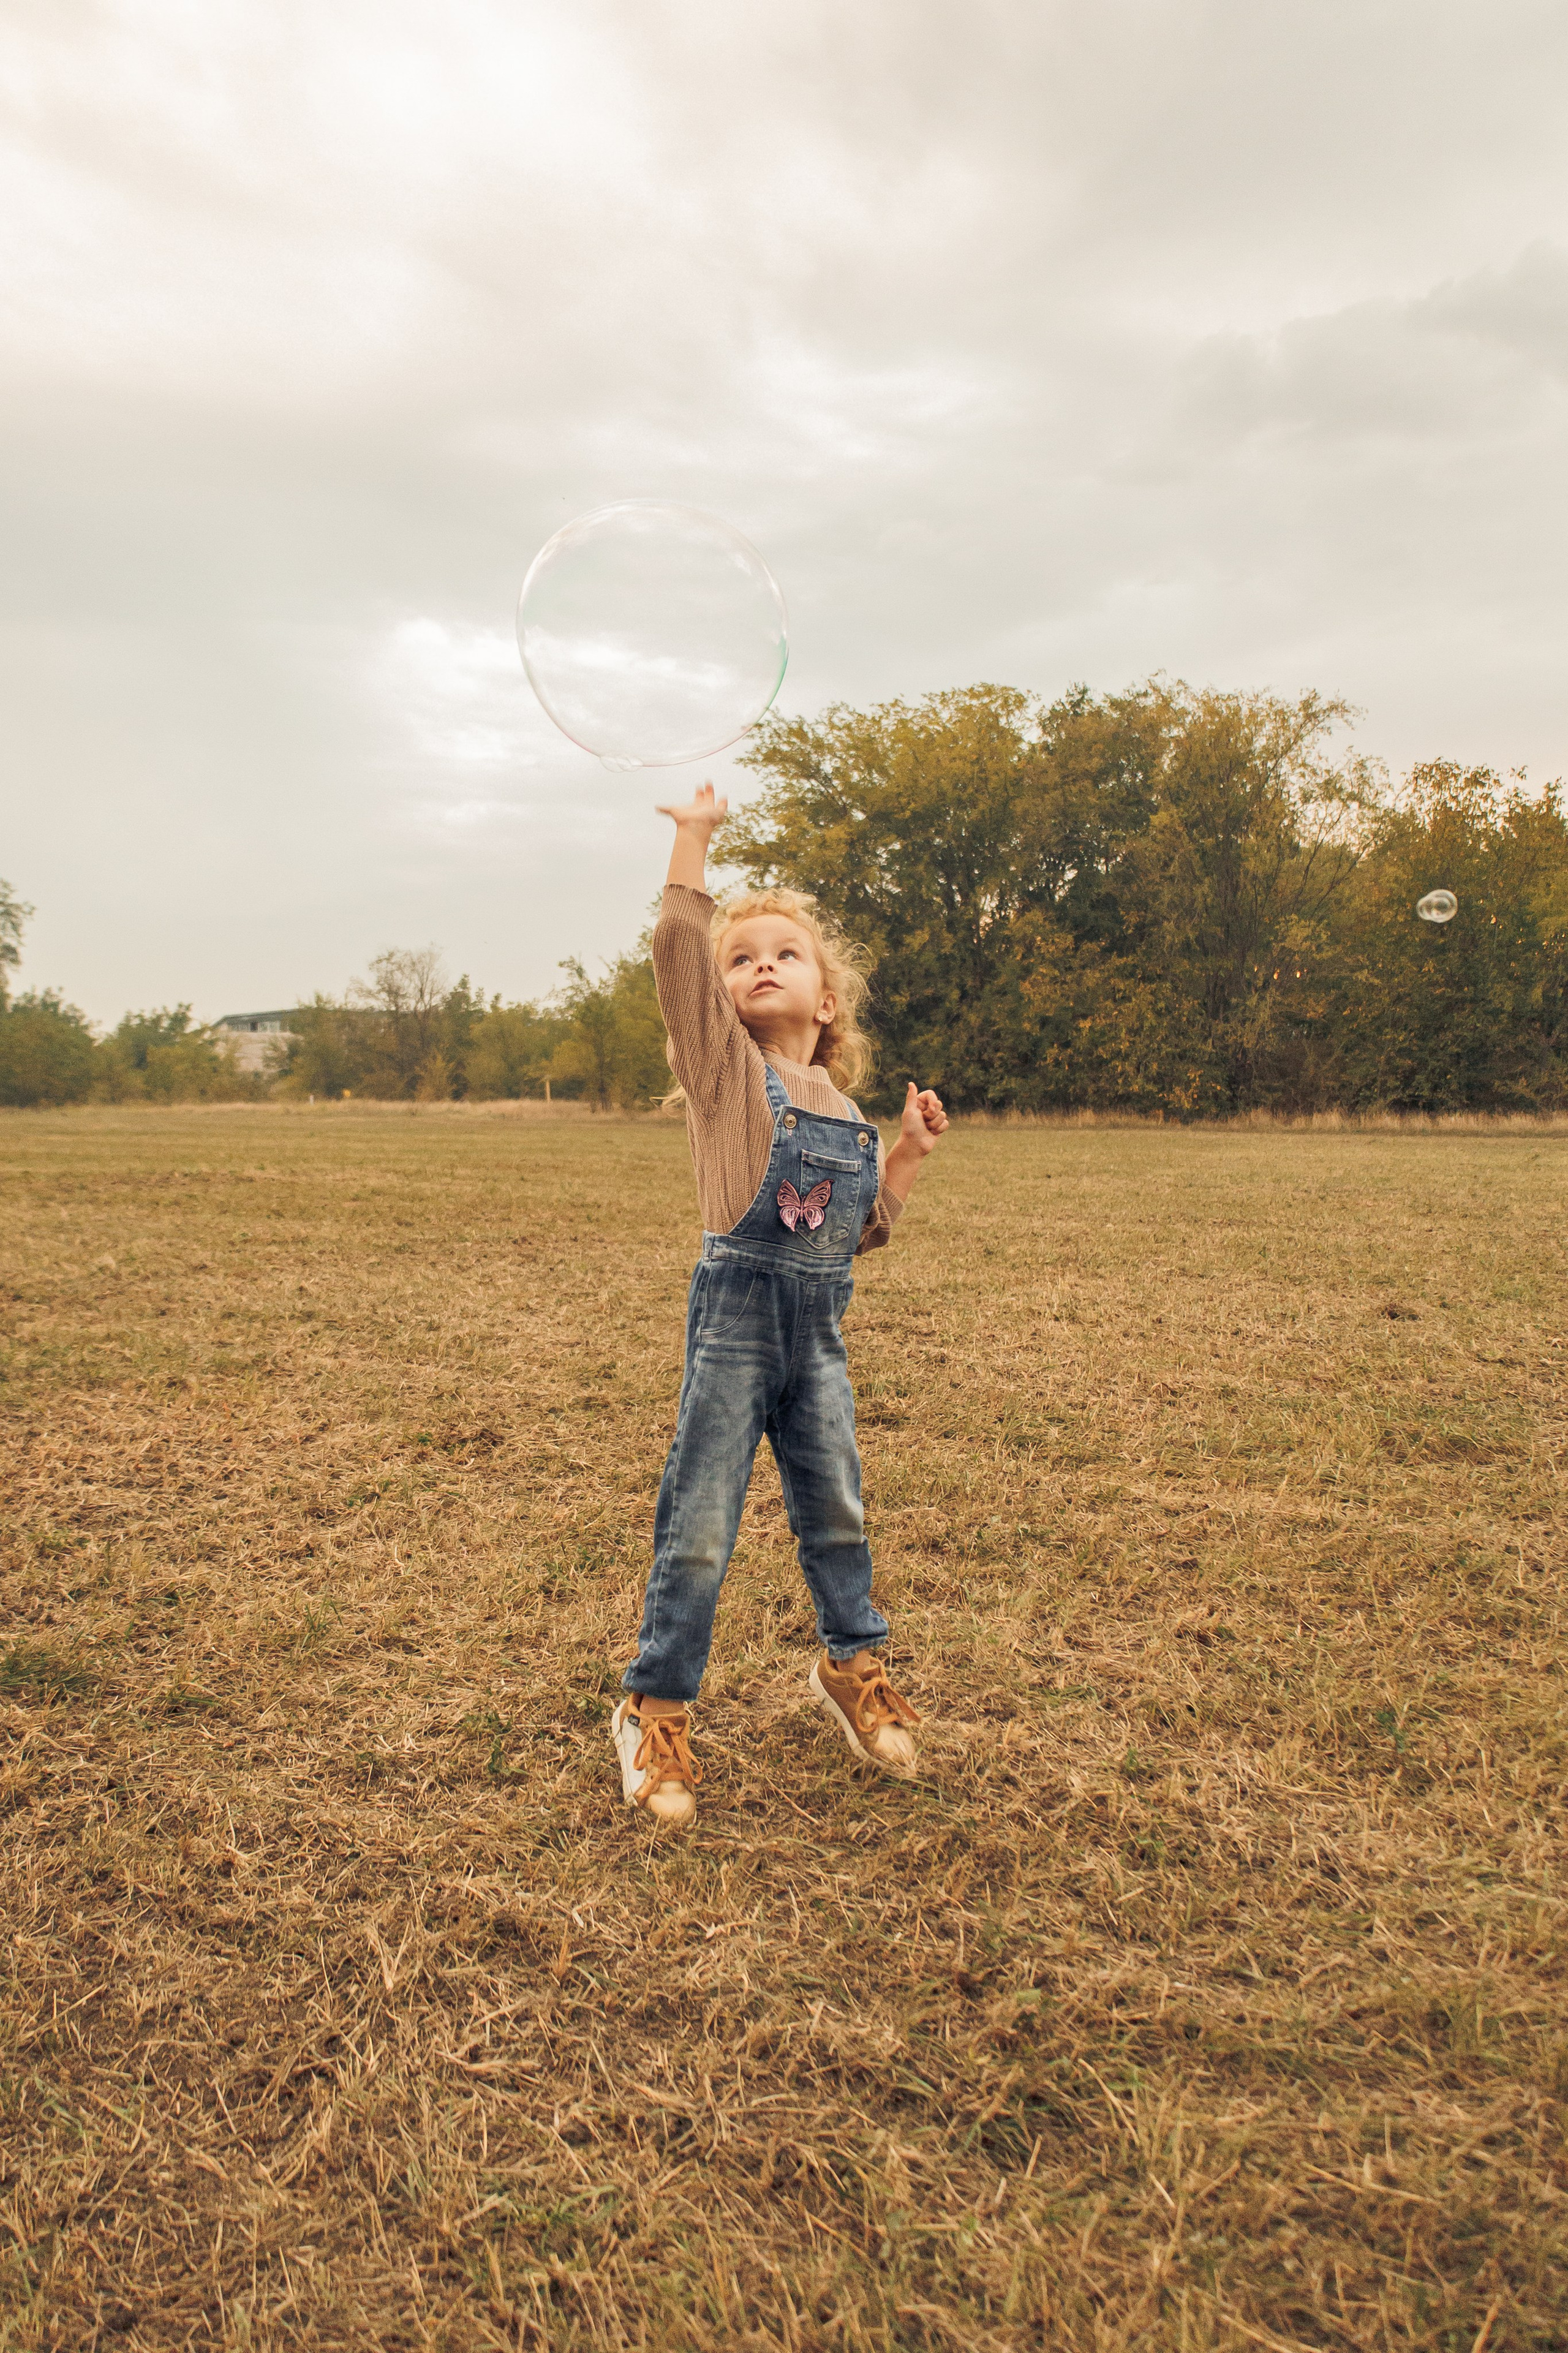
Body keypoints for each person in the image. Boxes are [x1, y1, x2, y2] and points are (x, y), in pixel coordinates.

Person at [611, 781, 949, 1827]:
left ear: (826, 1001)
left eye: (785, 953)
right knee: (701, 1524)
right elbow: (679, 953)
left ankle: (851, 1666)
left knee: (837, 1509)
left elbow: (857, 1233)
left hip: (820, 1336)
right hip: (737, 1326)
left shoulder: (844, 1110)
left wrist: (905, 1154)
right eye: (741, 958)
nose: (761, 964)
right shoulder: (725, 1071)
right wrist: (693, 840)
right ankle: (654, 1707)